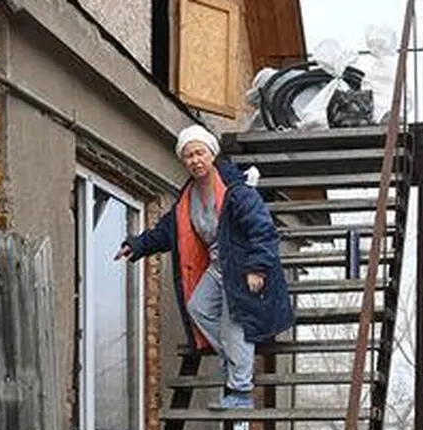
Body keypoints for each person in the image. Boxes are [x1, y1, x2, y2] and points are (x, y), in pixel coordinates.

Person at [118, 123, 293, 410]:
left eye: (200, 153)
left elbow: (263, 230)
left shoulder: (237, 190)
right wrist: (138, 245)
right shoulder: (188, 196)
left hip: (243, 267)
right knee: (197, 308)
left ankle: (240, 392)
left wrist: (257, 268)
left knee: (235, 325)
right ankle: (233, 361)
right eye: (188, 156)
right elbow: (169, 230)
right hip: (217, 267)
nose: (195, 160)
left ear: (211, 154)